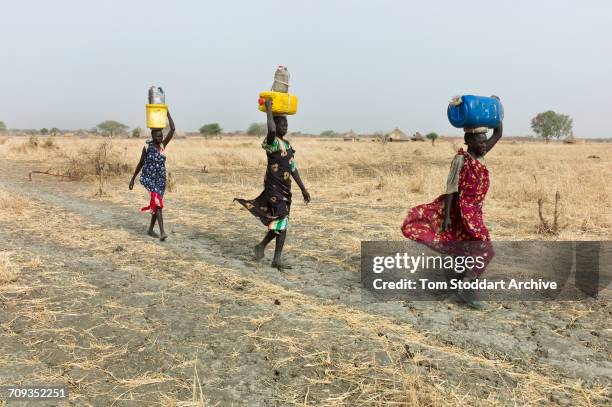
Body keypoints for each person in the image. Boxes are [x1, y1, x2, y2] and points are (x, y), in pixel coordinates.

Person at [401, 99, 503, 309]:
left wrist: (496, 107)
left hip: (475, 211)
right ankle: (469, 291)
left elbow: (499, 134)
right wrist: (447, 216)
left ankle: (454, 288)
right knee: (485, 249)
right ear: (469, 141)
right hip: (462, 212)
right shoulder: (461, 160)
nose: (485, 144)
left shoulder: (481, 156)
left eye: (485, 141)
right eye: (481, 141)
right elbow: (451, 188)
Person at [235, 99, 311, 270]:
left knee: (280, 222)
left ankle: (261, 246)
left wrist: (304, 189)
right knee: (282, 221)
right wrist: (269, 109)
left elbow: (293, 168)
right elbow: (270, 129)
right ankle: (276, 259)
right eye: (281, 125)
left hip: (285, 189)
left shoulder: (288, 145)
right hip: (273, 188)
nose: (284, 127)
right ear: (275, 126)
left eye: (286, 124)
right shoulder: (272, 142)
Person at [129, 111, 175, 241]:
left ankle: (150, 229)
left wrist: (168, 113)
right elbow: (141, 162)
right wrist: (133, 178)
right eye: (158, 136)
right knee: (158, 203)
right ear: (153, 136)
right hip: (149, 179)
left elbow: (173, 129)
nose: (160, 138)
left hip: (161, 180)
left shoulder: (162, 146)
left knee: (157, 204)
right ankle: (162, 232)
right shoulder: (147, 147)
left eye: (161, 136)